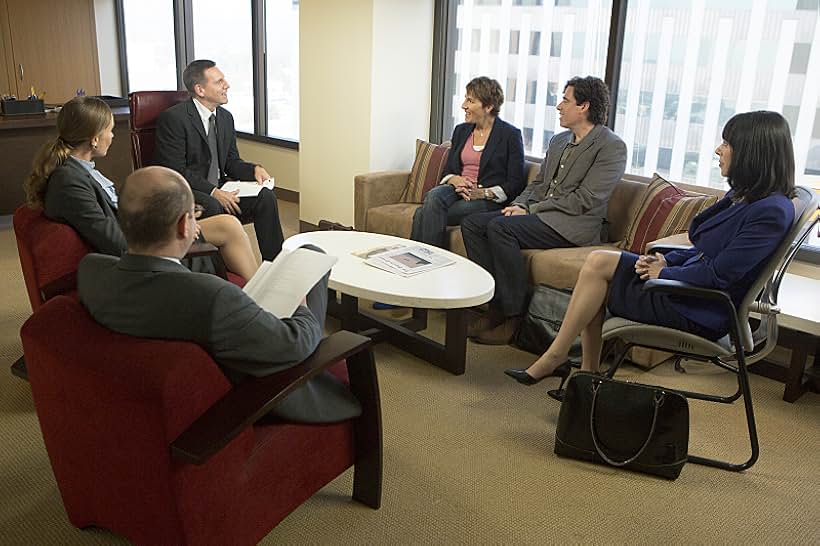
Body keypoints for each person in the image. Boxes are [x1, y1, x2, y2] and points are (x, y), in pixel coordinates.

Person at [504, 110, 796, 388]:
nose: (719, 150)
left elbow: (719, 274)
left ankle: (567, 363)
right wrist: (662, 258)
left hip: (699, 306)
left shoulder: (770, 212)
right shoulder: (746, 197)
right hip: (686, 284)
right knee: (599, 261)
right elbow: (701, 240)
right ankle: (581, 371)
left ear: (752, 153)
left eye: (727, 144)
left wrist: (666, 271)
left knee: (598, 280)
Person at [78, 166, 362, 423]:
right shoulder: (212, 296)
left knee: (307, 254)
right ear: (183, 226)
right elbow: (294, 344)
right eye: (195, 214)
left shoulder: (92, 271)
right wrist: (300, 304)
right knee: (312, 258)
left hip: (148, 400)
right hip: (251, 395)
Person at [461, 76, 627, 345]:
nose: (559, 106)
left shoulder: (611, 146)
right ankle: (495, 306)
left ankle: (513, 318)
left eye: (565, 100)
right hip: (541, 216)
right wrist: (519, 204)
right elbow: (539, 183)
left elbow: (585, 199)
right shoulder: (559, 141)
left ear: (584, 106)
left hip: (574, 226)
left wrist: (531, 210)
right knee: (472, 224)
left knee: (499, 227)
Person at [23, 96, 258, 280]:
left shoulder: (80, 169)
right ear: (94, 138)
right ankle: (260, 298)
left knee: (228, 224)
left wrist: (168, 219)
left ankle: (259, 292)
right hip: (140, 254)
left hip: (142, 234)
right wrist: (169, 232)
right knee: (228, 228)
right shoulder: (69, 183)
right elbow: (113, 240)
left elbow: (117, 214)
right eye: (110, 130)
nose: (113, 136)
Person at [154, 59, 285, 261]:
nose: (227, 85)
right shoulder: (174, 119)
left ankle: (276, 264)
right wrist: (214, 192)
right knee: (214, 205)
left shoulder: (225, 118)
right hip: (187, 190)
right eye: (219, 81)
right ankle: (222, 272)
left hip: (219, 185)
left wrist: (254, 169)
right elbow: (175, 170)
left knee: (265, 197)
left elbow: (231, 162)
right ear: (200, 89)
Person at [410, 76, 525, 248]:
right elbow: (448, 169)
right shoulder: (461, 130)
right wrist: (454, 179)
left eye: (470, 100)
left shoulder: (510, 135)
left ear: (488, 106)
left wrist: (483, 192)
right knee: (434, 196)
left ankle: (421, 262)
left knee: (422, 213)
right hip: (457, 190)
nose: (464, 105)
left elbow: (516, 182)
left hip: (486, 199)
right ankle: (426, 263)